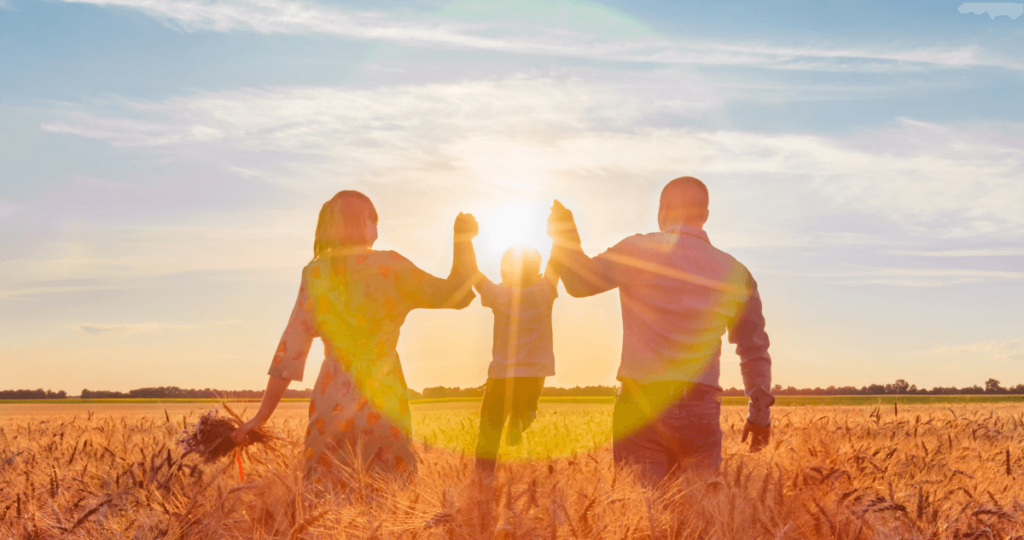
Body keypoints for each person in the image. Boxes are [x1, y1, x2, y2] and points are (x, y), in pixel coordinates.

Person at [231, 190, 479, 483]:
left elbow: (290, 354)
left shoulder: (315, 274)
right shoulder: (391, 266)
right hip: (384, 395)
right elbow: (459, 295)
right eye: (374, 219)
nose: (377, 226)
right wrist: (463, 241)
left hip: (330, 398)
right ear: (362, 223)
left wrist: (260, 418)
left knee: (325, 495)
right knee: (390, 493)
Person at [546, 176, 773, 483]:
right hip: (701, 410)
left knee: (643, 516)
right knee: (696, 520)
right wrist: (759, 414)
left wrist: (564, 235)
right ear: (705, 215)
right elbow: (754, 348)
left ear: (662, 209)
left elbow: (578, 282)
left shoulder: (639, 249)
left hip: (641, 404)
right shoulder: (737, 273)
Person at [472, 245, 560, 475]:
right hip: (534, 375)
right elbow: (557, 259)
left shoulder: (500, 295)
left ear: (505, 274)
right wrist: (559, 230)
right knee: (528, 408)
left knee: (487, 436)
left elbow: (473, 273)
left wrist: (466, 239)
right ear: (538, 272)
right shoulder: (545, 290)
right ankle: (522, 418)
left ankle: (482, 479)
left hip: (501, 376)